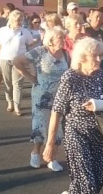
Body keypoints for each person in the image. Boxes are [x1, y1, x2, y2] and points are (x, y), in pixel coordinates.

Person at [43, 37, 103, 194]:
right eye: (96, 56)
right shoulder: (70, 77)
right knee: (86, 179)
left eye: (101, 55)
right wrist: (50, 143)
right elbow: (57, 111)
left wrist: (100, 105)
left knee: (99, 177)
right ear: (83, 57)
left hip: (98, 134)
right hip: (76, 134)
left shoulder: (100, 76)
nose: (100, 59)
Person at [14, 27, 70, 172]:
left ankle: (52, 158)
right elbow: (17, 61)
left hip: (60, 96)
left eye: (63, 38)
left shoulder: (66, 54)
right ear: (50, 40)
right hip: (41, 96)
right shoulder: (40, 51)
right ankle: (36, 152)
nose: (63, 41)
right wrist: (30, 77)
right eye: (60, 38)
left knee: (57, 127)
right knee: (40, 125)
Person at [0, 10, 37, 116]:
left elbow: (30, 44)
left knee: (18, 84)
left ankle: (17, 106)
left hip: (19, 60)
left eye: (21, 19)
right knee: (8, 83)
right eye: (17, 20)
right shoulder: (2, 31)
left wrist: (36, 42)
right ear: (11, 20)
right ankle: (10, 102)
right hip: (4, 58)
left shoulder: (25, 31)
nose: (19, 22)